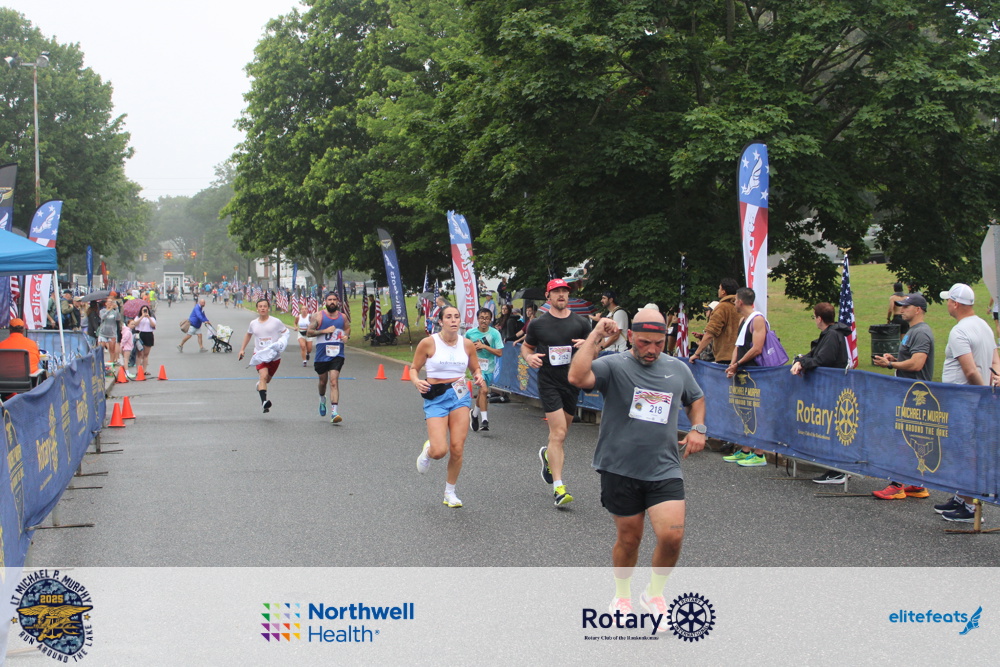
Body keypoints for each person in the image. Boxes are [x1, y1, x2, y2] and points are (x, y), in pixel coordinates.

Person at [568, 310, 706, 621]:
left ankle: (654, 593)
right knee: (630, 539)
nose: (652, 350)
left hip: (664, 467)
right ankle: (622, 596)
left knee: (672, 537)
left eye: (658, 343)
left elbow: (696, 398)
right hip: (620, 468)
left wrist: (698, 428)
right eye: (644, 342)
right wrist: (596, 335)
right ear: (630, 337)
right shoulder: (613, 365)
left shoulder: (677, 368)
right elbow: (577, 377)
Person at [521, 278, 593, 507]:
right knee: (559, 433)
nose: (561, 295)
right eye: (556, 291)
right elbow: (526, 346)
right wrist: (529, 357)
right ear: (548, 296)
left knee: (561, 435)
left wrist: (588, 346)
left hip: (571, 382)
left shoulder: (581, 323)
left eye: (564, 291)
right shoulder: (538, 324)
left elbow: (595, 350)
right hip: (548, 382)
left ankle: (547, 455)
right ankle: (559, 488)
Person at [933, 284, 1000, 521]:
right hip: (974, 399)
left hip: (964, 399)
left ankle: (970, 507)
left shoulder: (959, 330)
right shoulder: (983, 325)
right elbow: (995, 359)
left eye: (948, 301)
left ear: (955, 303)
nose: (947, 305)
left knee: (964, 451)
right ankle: (962, 496)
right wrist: (991, 385)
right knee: (964, 450)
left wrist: (982, 393)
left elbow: (970, 370)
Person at [411, 305, 486, 508]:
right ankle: (429, 451)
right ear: (441, 321)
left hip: (459, 395)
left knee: (457, 447)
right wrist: (417, 381)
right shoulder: (428, 343)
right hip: (435, 397)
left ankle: (450, 492)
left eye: (456, 317)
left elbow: (475, 368)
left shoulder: (467, 344)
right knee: (439, 451)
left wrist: (478, 375)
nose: (453, 320)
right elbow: (414, 368)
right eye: (449, 317)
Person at [872, 293, 934, 500]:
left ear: (918, 309)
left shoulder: (921, 332)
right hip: (909, 393)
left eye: (906, 306)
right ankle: (917, 483)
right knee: (910, 439)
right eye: (901, 306)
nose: (901, 309)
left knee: (902, 439)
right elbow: (911, 358)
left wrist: (891, 364)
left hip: (915, 396)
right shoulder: (912, 331)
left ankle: (897, 485)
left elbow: (917, 363)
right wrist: (896, 358)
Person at [789, 302, 852, 483]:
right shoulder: (830, 333)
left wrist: (803, 363)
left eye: (814, 316)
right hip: (829, 388)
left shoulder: (832, 335)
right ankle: (834, 469)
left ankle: (838, 471)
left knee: (833, 429)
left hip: (833, 388)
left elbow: (823, 359)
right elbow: (814, 354)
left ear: (819, 318)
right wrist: (801, 360)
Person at [722, 287, 769, 466]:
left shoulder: (758, 319)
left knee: (757, 412)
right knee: (743, 410)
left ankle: (759, 454)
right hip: (742, 372)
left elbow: (757, 348)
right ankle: (745, 449)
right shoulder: (743, 319)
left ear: (740, 302)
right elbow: (738, 345)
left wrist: (738, 364)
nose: (734, 303)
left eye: (735, 300)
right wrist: (732, 365)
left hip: (757, 374)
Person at [238, 298, 289, 414]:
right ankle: (264, 403)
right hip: (260, 355)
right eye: (260, 306)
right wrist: (242, 350)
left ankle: (260, 385)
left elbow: (286, 332)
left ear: (268, 308)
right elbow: (248, 335)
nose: (262, 308)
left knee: (267, 380)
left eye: (265, 306)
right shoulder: (253, 323)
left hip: (274, 356)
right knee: (263, 376)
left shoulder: (276, 322)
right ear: (257, 308)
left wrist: (282, 343)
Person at [307, 292, 350, 423]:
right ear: (325, 301)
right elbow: (309, 332)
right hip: (322, 354)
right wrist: (324, 331)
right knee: (323, 382)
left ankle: (334, 413)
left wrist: (346, 336)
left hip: (337, 354)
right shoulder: (318, 316)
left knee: (333, 381)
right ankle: (322, 399)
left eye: (334, 300)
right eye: (329, 299)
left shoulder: (342, 317)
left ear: (338, 302)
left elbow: (347, 328)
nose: (332, 302)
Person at [465, 307, 503, 432]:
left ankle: (474, 414)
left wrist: (484, 346)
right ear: (477, 319)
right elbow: (463, 349)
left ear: (490, 320)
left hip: (489, 367)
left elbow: (499, 353)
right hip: (476, 367)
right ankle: (485, 421)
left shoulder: (495, 333)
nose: (484, 321)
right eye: (481, 318)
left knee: (482, 392)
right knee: (485, 390)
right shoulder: (470, 333)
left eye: (487, 318)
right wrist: (472, 349)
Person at [689, 278, 741, 365]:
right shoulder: (741, 306)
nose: (718, 290)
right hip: (741, 355)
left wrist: (697, 353)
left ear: (723, 291)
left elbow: (710, 333)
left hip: (725, 356)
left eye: (719, 288)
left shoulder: (722, 307)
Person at [130, 305, 156, 370]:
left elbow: (153, 325)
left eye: (146, 310)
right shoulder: (137, 317)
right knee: (139, 353)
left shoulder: (151, 318)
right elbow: (135, 324)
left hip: (148, 334)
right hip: (140, 334)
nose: (145, 311)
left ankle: (144, 370)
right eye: (143, 310)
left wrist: (148, 317)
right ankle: (138, 370)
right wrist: (142, 316)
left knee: (146, 354)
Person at [97, 297, 122, 364]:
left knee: (112, 350)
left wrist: (117, 309)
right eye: (109, 302)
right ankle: (100, 363)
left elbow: (118, 318)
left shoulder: (114, 312)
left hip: (112, 333)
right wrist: (109, 310)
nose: (110, 303)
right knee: (100, 349)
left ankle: (112, 363)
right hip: (103, 333)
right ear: (106, 303)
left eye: (111, 302)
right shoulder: (102, 311)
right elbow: (103, 317)